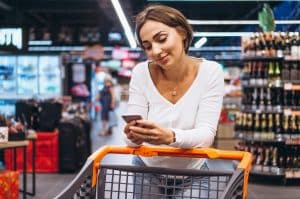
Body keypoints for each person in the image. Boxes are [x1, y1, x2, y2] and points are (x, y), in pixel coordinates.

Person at [123, 4, 225, 198]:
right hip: (146, 171)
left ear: (182, 33)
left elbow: (206, 135)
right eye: (147, 46)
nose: (156, 50)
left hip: (193, 173)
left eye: (161, 39)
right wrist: (132, 135)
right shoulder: (141, 73)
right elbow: (130, 139)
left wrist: (170, 137)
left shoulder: (211, 72)